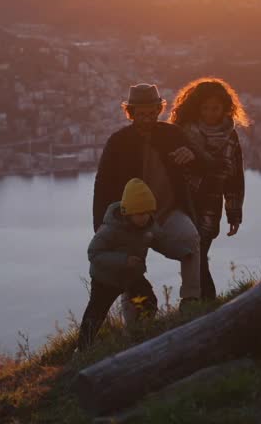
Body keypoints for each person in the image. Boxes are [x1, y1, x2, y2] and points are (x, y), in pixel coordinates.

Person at [93, 83, 206, 310]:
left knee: (191, 239)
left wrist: (192, 155)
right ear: (131, 113)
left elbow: (205, 164)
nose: (146, 118)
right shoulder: (118, 141)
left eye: (151, 112)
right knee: (129, 271)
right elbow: (102, 185)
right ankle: (135, 324)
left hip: (168, 212)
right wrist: (101, 226)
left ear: (158, 110)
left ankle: (191, 299)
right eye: (140, 113)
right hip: (131, 220)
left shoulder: (173, 134)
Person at [77, 178, 192, 350]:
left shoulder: (149, 227)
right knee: (95, 315)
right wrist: (124, 260)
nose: (144, 217)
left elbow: (163, 243)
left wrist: (183, 252)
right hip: (105, 279)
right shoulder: (111, 229)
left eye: (147, 212)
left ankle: (138, 335)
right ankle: (82, 350)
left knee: (149, 303)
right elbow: (93, 253)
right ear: (127, 212)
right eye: (139, 213)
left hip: (132, 276)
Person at [169, 77, 249, 301]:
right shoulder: (182, 132)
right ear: (196, 108)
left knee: (199, 254)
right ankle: (202, 302)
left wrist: (234, 213)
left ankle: (198, 304)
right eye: (204, 108)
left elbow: (234, 177)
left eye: (215, 108)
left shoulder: (230, 136)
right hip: (184, 202)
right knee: (195, 254)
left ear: (225, 108)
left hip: (211, 207)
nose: (210, 113)